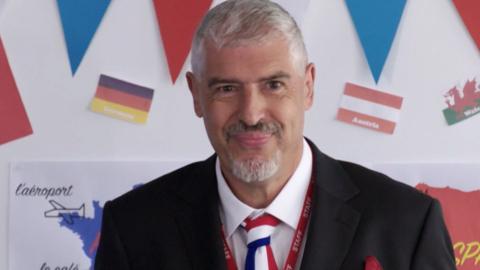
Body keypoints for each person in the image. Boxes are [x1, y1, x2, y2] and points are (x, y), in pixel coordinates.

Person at [95, 0, 456, 269]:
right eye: (225, 89)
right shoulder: (133, 228)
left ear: (308, 86)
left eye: (273, 84)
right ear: (196, 95)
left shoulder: (407, 223)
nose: (251, 113)